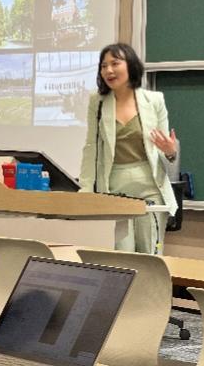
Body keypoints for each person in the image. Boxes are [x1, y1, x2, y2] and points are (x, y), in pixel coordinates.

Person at [79, 43, 178, 254]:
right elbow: (91, 148)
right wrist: (85, 189)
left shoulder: (154, 100)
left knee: (150, 255)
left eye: (115, 63)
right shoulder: (98, 102)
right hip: (114, 187)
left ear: (131, 65)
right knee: (120, 256)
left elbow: (164, 149)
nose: (108, 70)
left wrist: (170, 151)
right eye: (104, 66)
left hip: (150, 187)